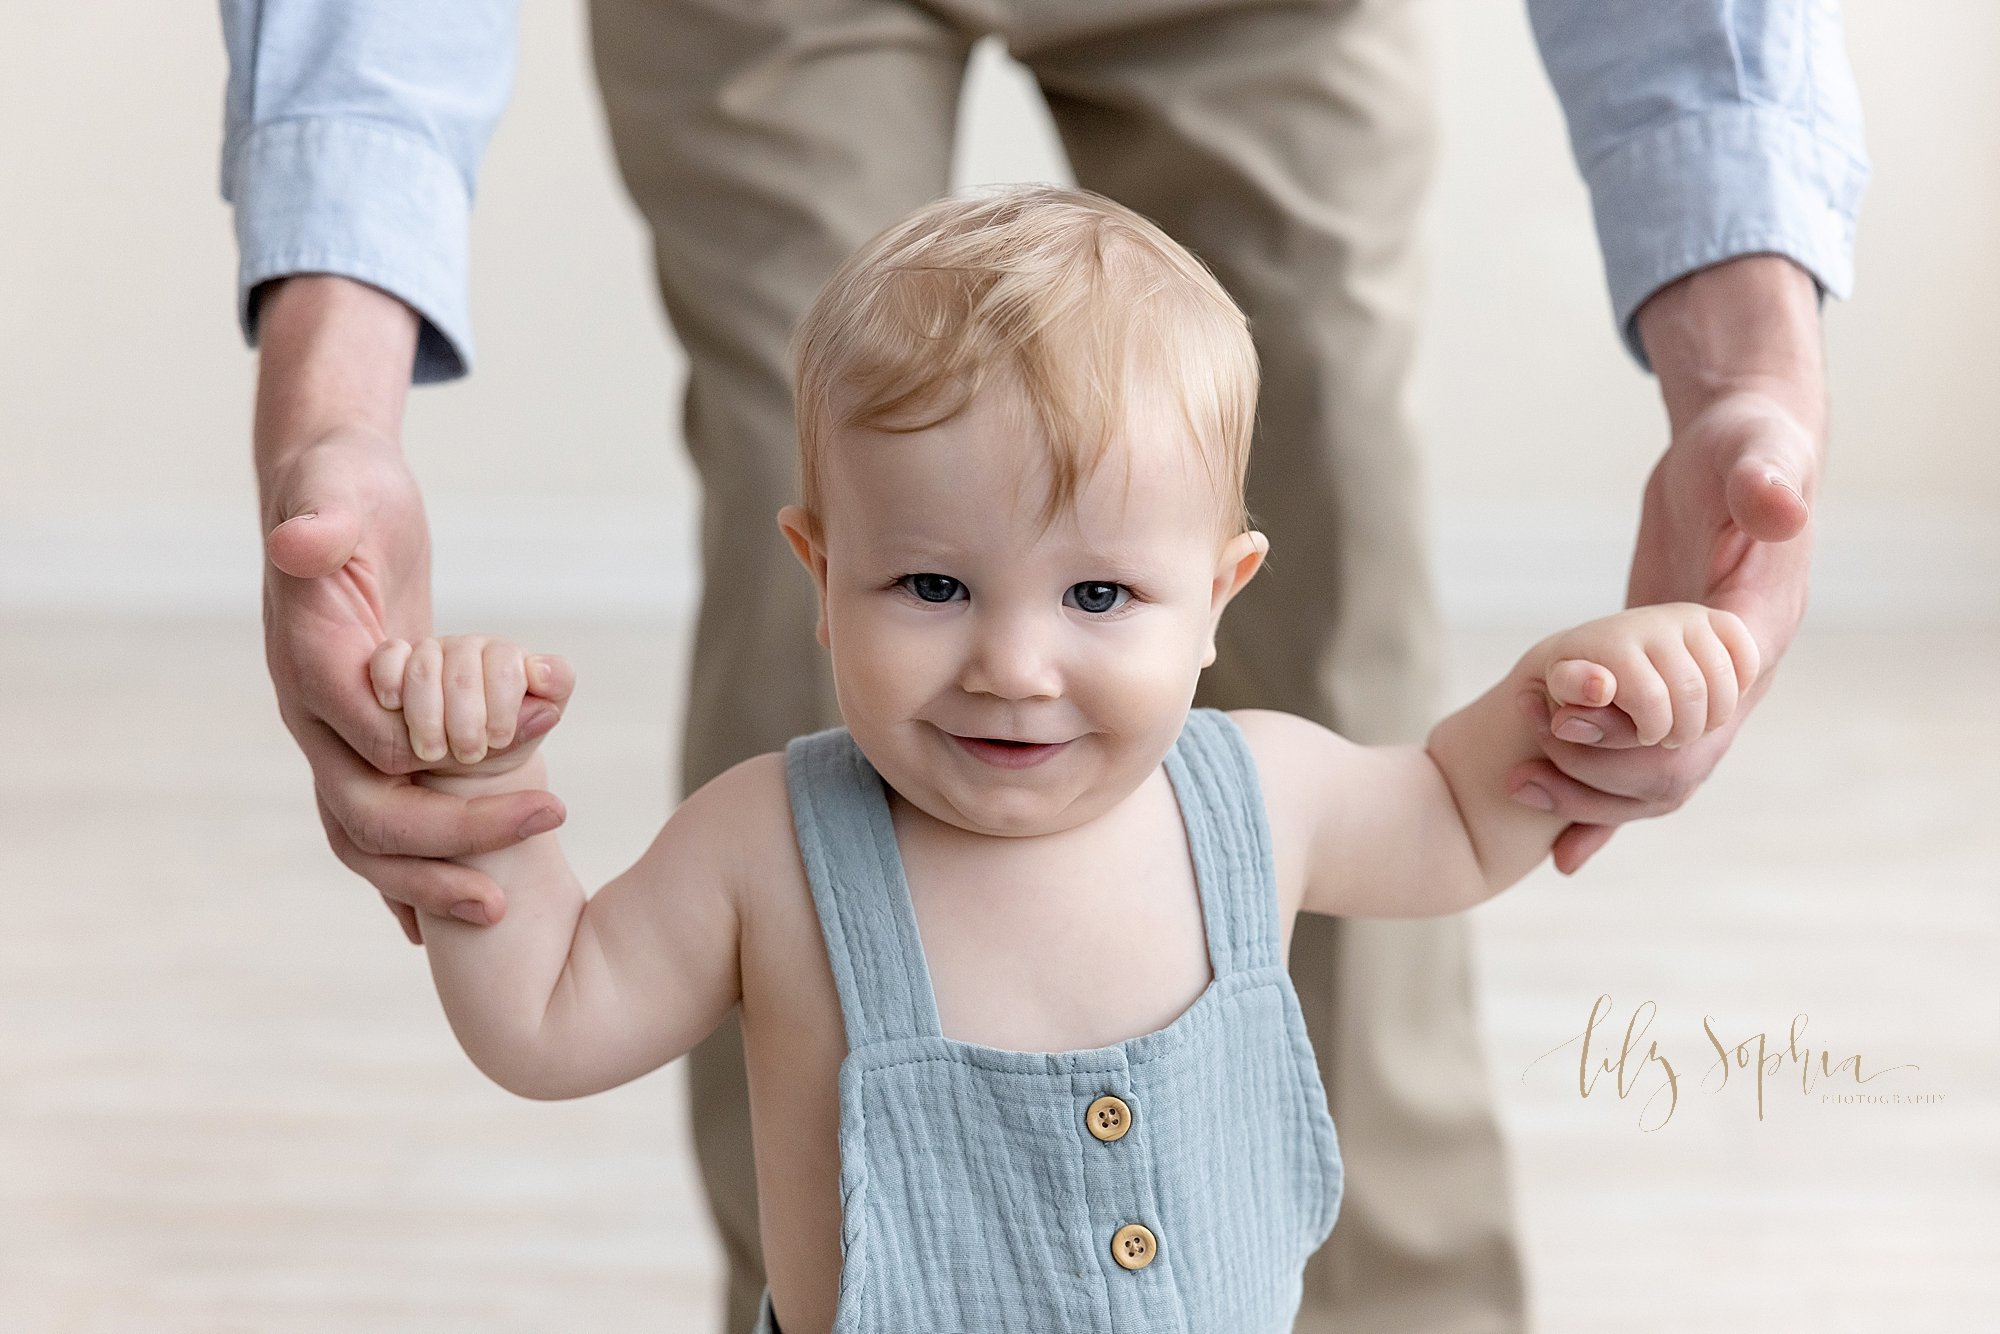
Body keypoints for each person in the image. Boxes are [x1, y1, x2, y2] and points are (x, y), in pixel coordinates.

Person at [218, 2, 1866, 1328]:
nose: (1011, 663)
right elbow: (549, 1027)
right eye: (929, 580)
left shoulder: (1268, 788)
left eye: (1100, 595)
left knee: (1342, 440)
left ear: (1222, 598)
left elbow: (1454, 799)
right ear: (823, 571)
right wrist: (478, 798)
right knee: (807, 386)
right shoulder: (764, 844)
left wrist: (1606, 680)